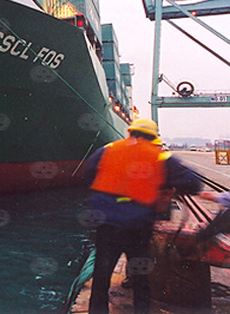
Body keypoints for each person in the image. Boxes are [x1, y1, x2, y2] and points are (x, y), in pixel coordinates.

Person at [84, 118, 202, 314]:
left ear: (131, 132)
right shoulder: (161, 157)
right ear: (153, 137)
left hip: (106, 227)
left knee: (101, 278)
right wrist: (161, 183)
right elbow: (194, 184)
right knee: (140, 279)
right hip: (137, 229)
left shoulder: (107, 150)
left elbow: (88, 176)